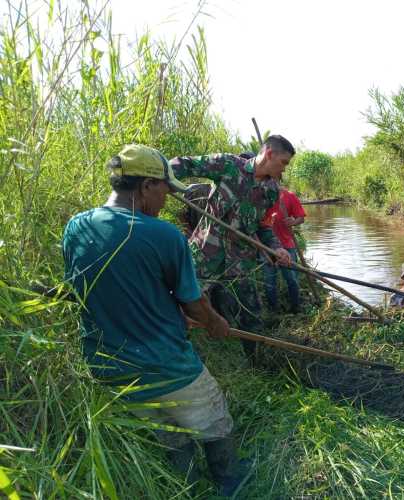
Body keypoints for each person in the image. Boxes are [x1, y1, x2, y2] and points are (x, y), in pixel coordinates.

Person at [62, 145, 248, 496]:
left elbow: (95, 291)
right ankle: (230, 482)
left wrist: (169, 311)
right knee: (215, 420)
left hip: (109, 368)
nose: (167, 199)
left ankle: (186, 486)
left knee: (166, 433)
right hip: (166, 364)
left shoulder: (76, 227)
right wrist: (214, 323)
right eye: (165, 189)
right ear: (147, 185)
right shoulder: (164, 236)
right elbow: (194, 304)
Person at [169, 136, 294, 359]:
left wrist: (277, 248)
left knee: (252, 313)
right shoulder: (227, 165)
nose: (284, 169)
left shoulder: (272, 190)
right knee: (183, 307)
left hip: (240, 261)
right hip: (205, 255)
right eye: (283, 162)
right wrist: (162, 179)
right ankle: (179, 359)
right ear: (270, 154)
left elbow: (264, 226)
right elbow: (185, 163)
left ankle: (256, 363)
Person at [260, 187, 306, 313]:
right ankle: (274, 310)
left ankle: (296, 308)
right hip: (267, 247)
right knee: (269, 282)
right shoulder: (260, 196)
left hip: (287, 246)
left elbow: (301, 218)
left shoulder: (289, 196)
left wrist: (293, 221)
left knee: (292, 280)